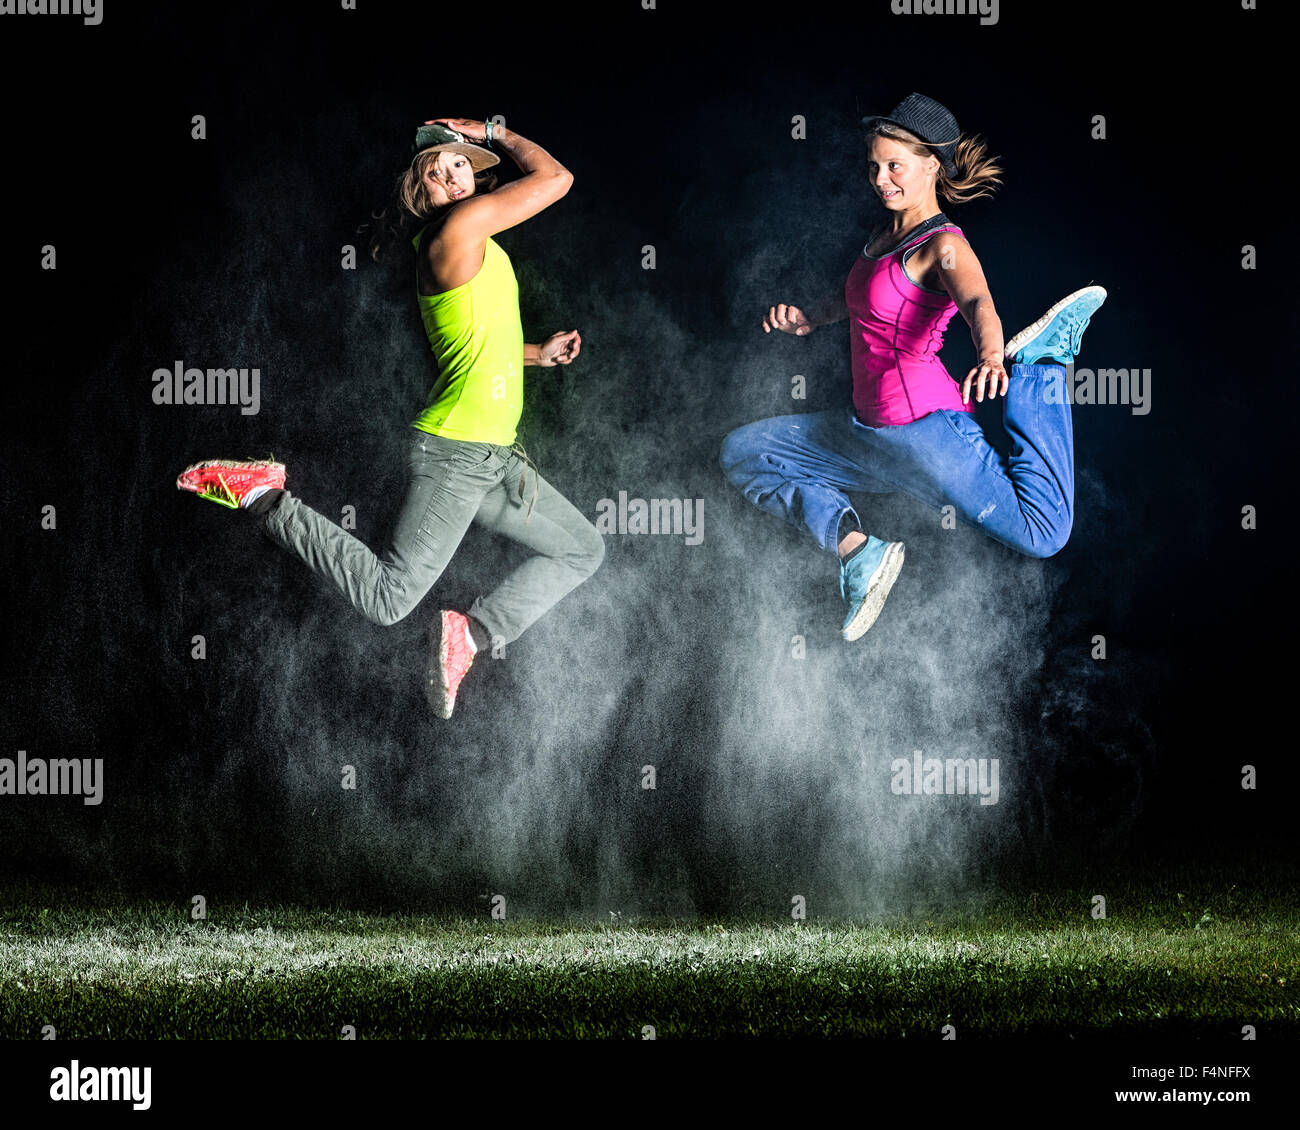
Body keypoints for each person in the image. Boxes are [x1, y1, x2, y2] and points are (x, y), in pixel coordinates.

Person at [176, 118, 604, 717]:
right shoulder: (456, 230)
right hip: (457, 452)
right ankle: (266, 498)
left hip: (494, 456)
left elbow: (474, 346)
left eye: (460, 165)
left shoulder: (476, 243)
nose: (453, 176)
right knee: (388, 597)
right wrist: (492, 132)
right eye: (437, 171)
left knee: (582, 549)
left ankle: (471, 637)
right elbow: (556, 178)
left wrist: (537, 353)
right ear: (419, 192)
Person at [720, 92, 1105, 640]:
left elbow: (978, 304)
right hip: (866, 435)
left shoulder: (942, 245)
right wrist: (809, 318)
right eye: (874, 166)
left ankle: (1043, 365)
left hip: (924, 432)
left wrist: (993, 353)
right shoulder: (881, 238)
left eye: (894, 166)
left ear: (932, 166)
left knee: (1043, 532)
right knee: (745, 452)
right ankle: (858, 552)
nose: (881, 179)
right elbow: (858, 302)